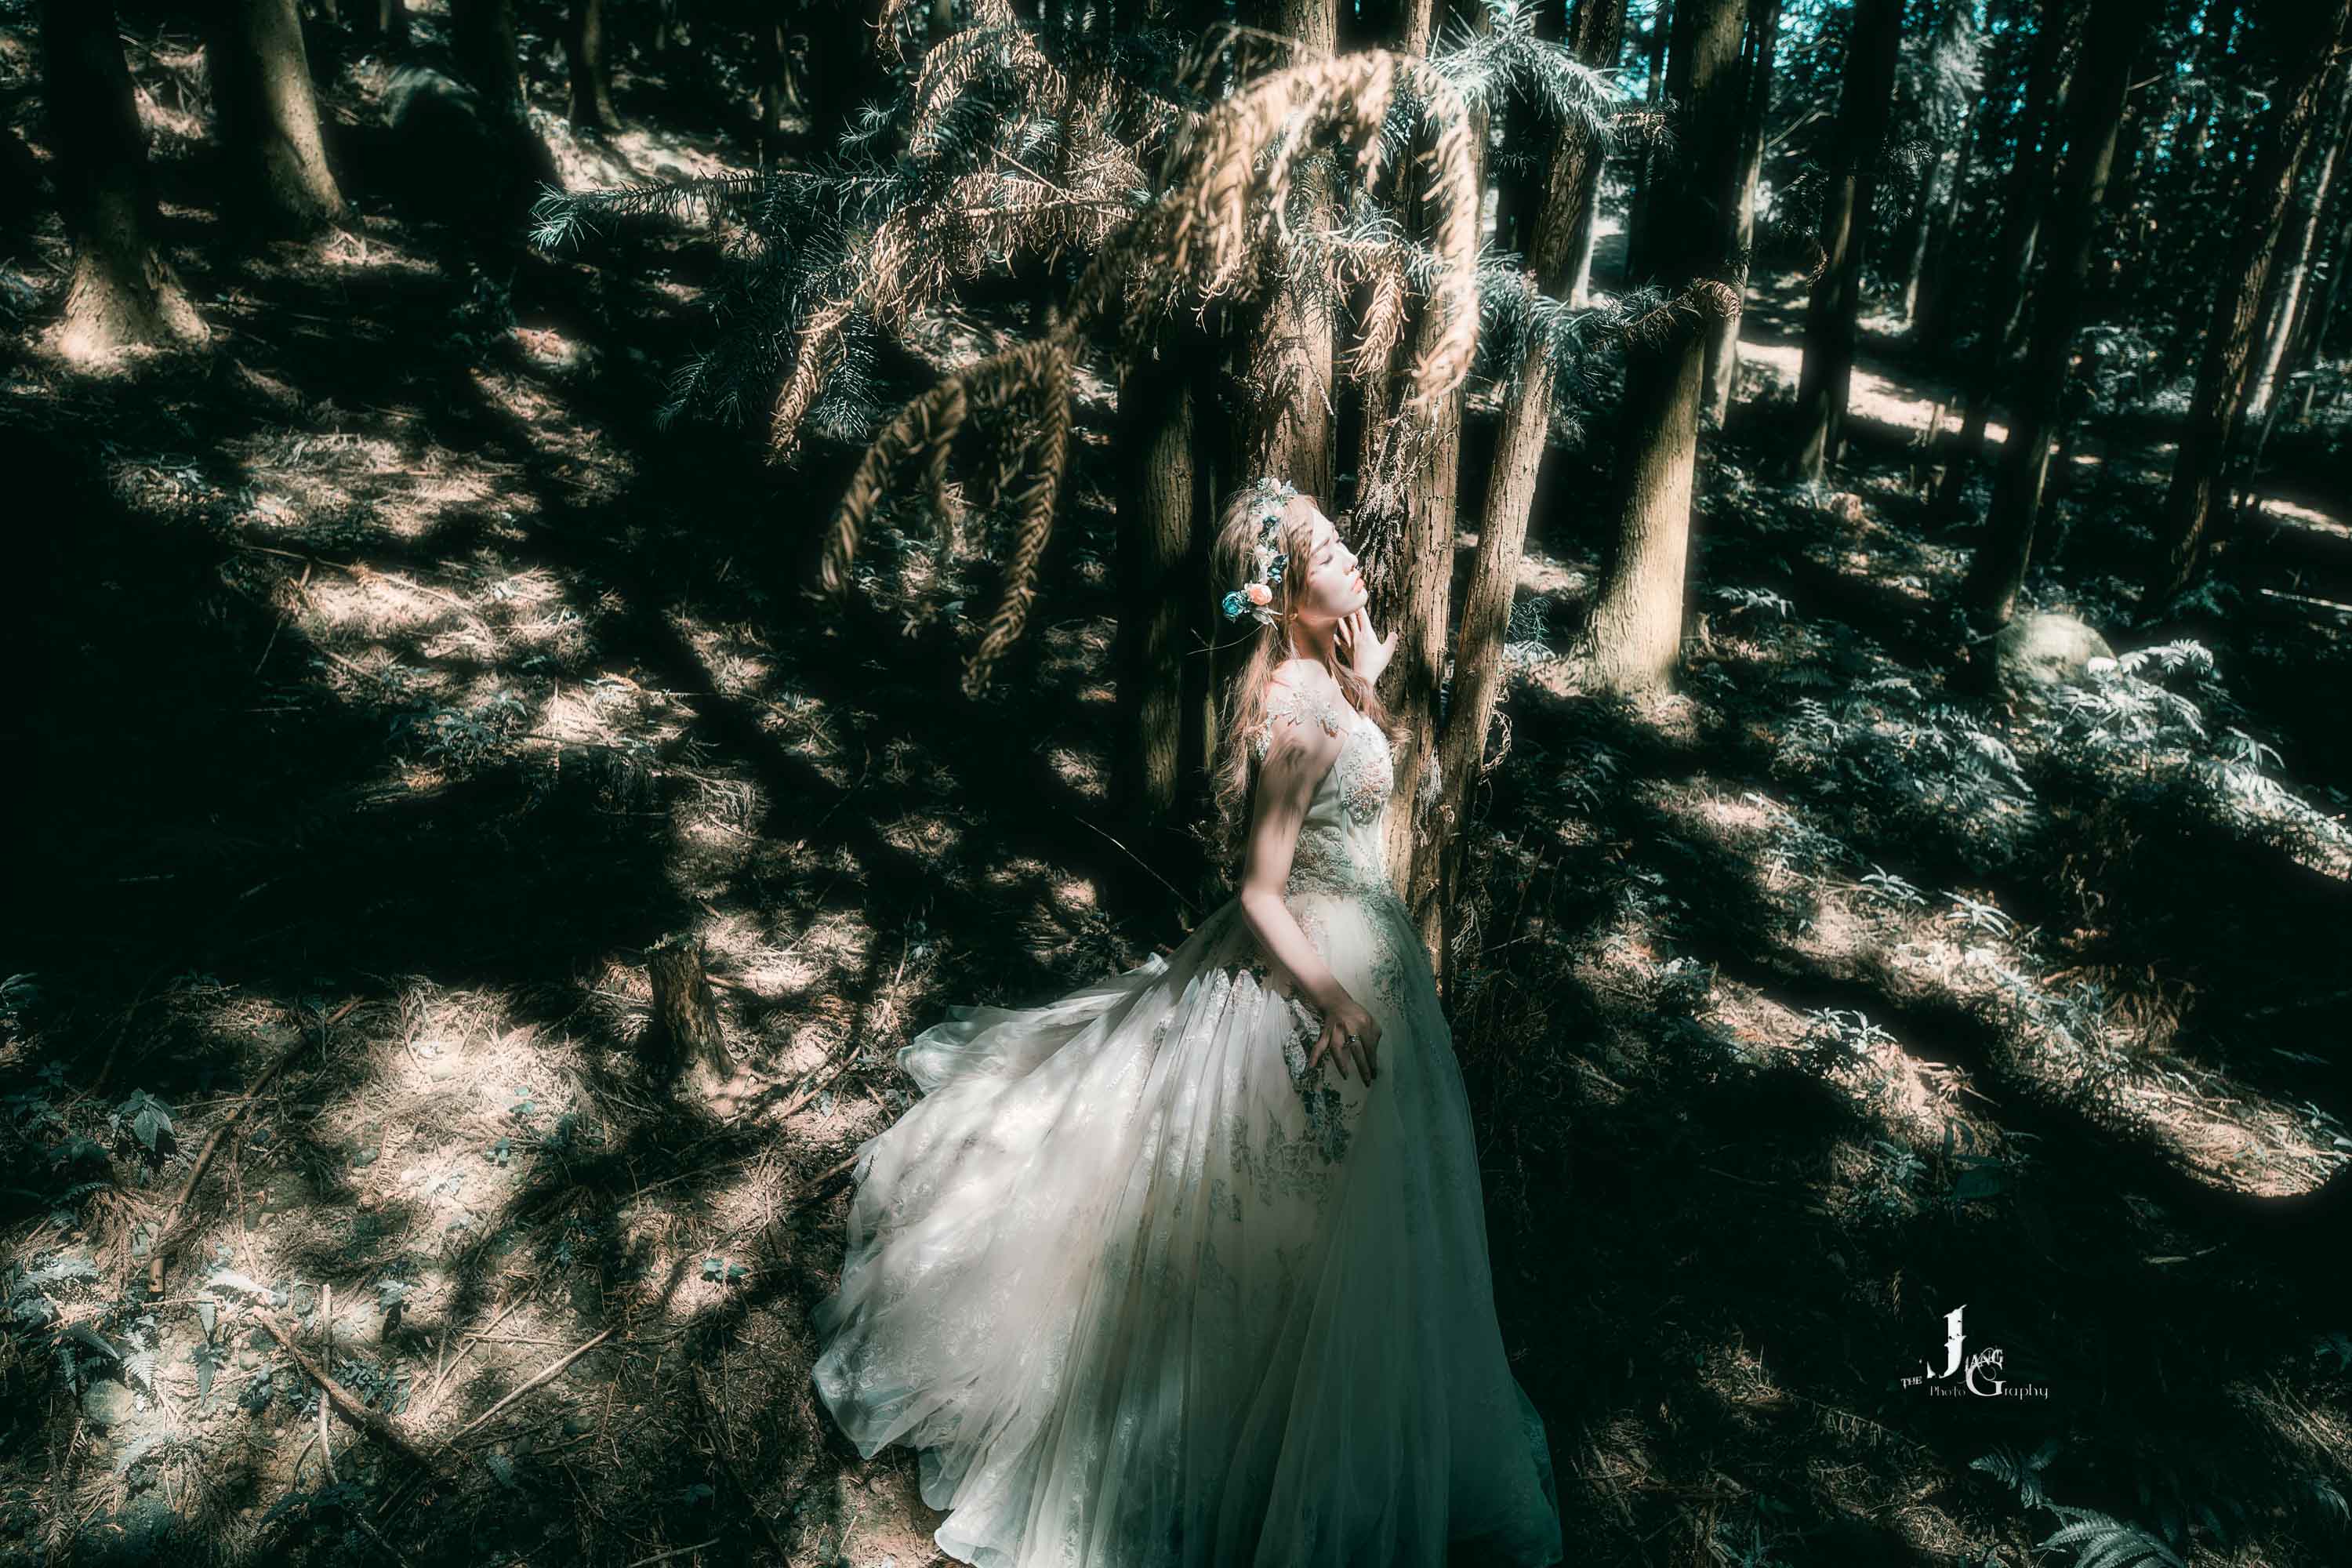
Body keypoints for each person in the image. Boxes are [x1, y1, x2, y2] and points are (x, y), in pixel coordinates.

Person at [808, 477, 1566, 1568]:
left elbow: (1343, 796)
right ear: (1284, 593)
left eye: (1343, 545)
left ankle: (1329, 1428)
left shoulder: (1324, 682)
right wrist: (1334, 997)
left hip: (1365, 943)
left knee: (1355, 1221)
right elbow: (1261, 891)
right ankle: (1253, 1447)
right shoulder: (1296, 715)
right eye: (1329, 555)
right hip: (1313, 968)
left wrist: (1364, 679)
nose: (1354, 561)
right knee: (1288, 1215)